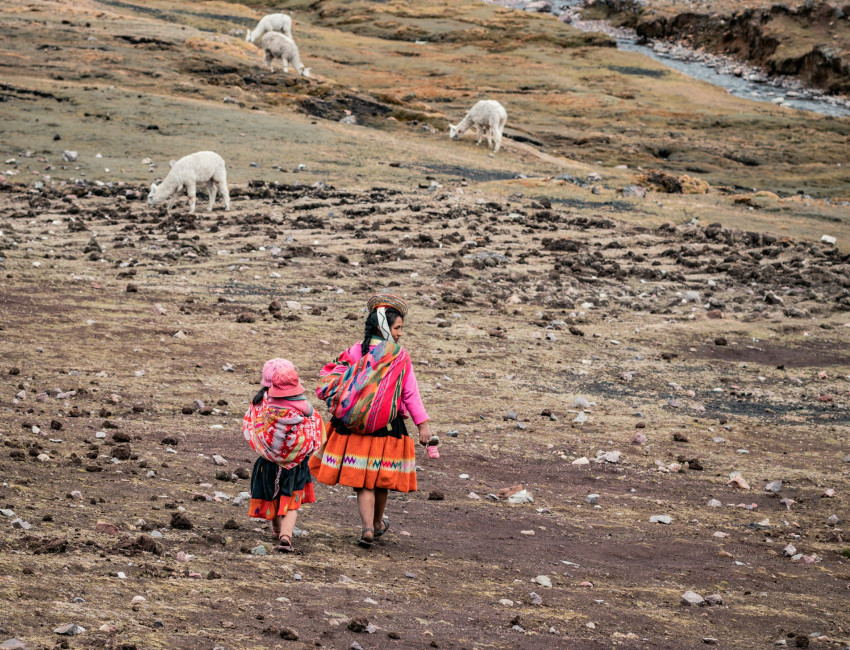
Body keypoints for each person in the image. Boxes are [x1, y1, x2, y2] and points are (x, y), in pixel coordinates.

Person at [310, 293, 432, 548]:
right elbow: (410, 393)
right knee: (380, 479)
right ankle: (377, 524)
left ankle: (366, 528)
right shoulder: (398, 355)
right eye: (397, 328)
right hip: (387, 429)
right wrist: (423, 425)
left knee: (362, 482)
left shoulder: (356, 350)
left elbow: (334, 374)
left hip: (353, 429)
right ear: (385, 327)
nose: (399, 333)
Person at [243, 358, 324, 553]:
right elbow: (315, 429)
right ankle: (286, 535)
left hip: (268, 462)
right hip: (296, 464)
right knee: (292, 501)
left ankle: (277, 528)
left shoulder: (260, 406)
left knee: (272, 495)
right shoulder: (304, 409)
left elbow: (250, 427)